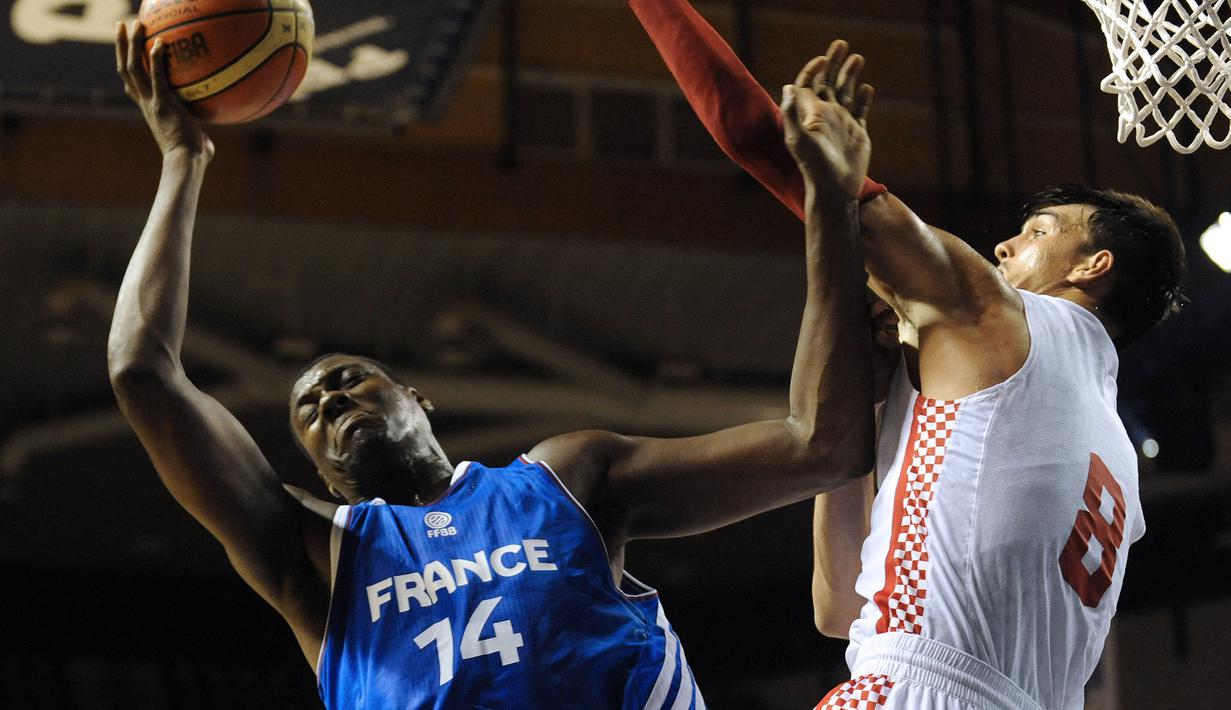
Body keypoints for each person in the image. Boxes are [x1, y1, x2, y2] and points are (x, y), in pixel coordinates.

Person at [107, 21, 879, 709]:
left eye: (349, 378)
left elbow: (819, 444)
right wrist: (183, 158)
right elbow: (143, 372)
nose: (331, 399)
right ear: (325, 478)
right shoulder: (317, 555)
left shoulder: (565, 481)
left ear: (417, 397)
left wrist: (830, 203)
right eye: (309, 410)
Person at [629, 2, 1187, 708]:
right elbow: (839, 609)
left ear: (1091, 266)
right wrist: (864, 407)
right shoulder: (1114, 463)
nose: (1006, 248)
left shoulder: (992, 311)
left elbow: (754, 132)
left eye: (1039, 231)